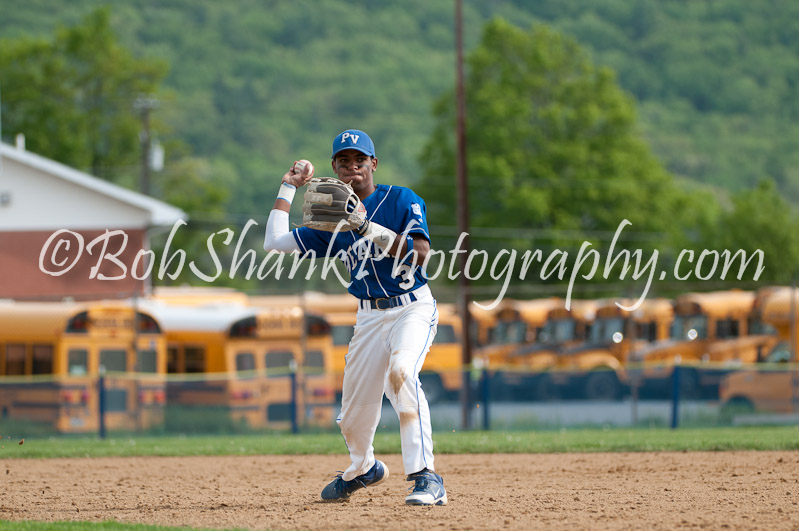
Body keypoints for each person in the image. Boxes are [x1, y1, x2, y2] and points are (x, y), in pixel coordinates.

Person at [263, 129, 447, 506]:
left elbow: (420, 253)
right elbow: (274, 243)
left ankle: (426, 477)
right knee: (352, 416)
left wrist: (365, 226)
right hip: (367, 318)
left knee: (402, 374)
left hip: (412, 307)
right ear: (334, 167)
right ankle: (363, 468)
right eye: (344, 162)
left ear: (373, 164)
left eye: (359, 160)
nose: (352, 168)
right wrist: (287, 187)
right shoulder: (331, 219)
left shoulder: (399, 199)